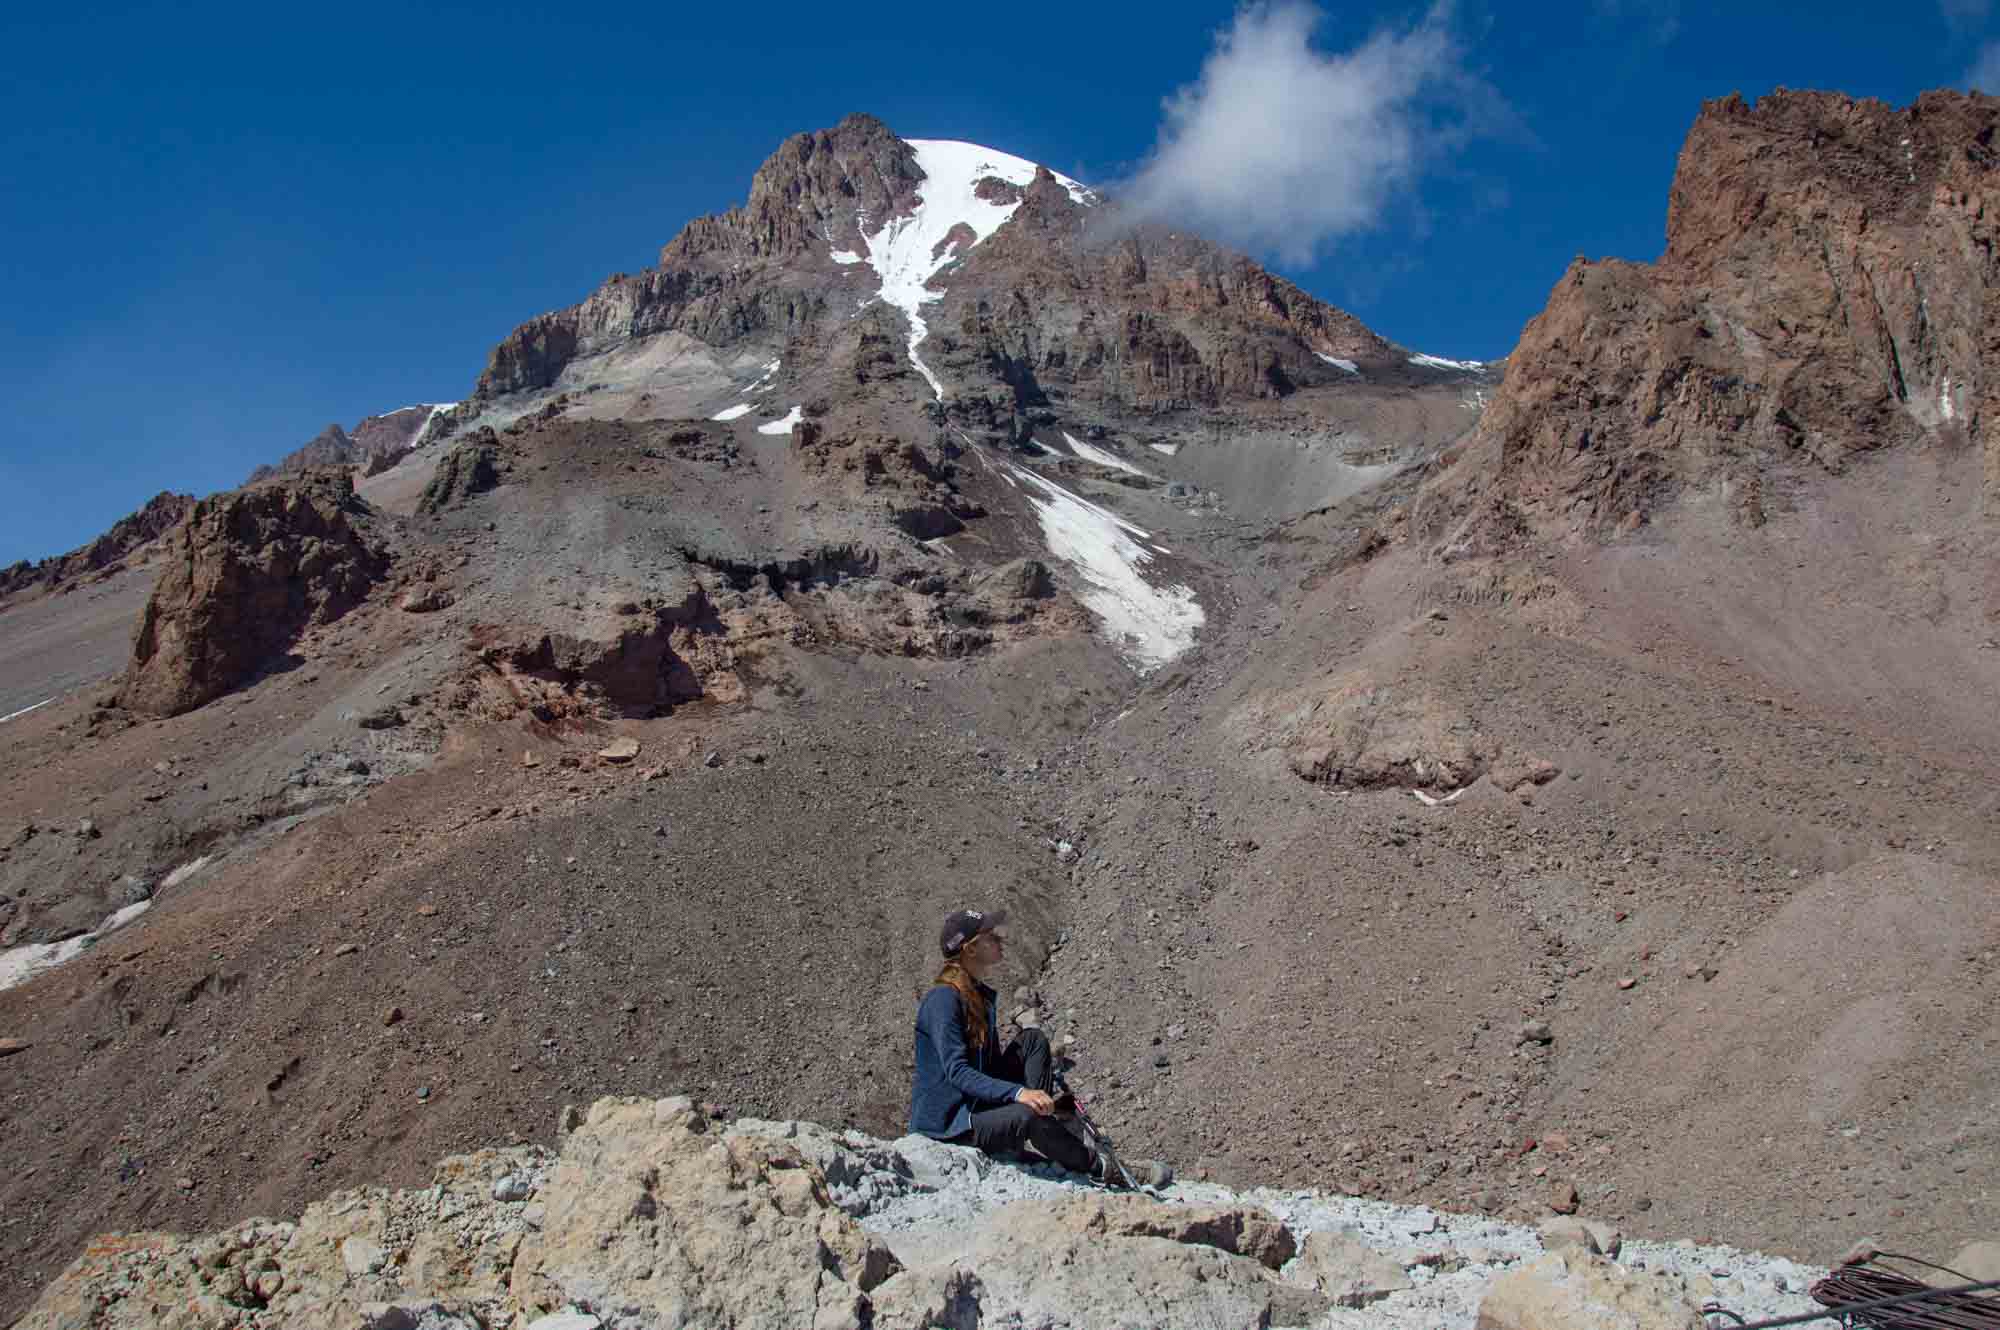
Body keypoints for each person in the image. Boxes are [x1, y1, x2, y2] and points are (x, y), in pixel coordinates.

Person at [908, 906, 1170, 1187]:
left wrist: (1035, 1096)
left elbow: (990, 1067)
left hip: (976, 1106)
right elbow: (957, 1072)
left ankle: (1041, 1120)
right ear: (970, 949)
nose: (999, 940)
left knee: (1032, 1040)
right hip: (951, 1124)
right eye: (990, 936)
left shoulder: (977, 997)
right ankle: (1102, 1167)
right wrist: (1019, 1093)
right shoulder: (943, 999)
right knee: (1026, 1114)